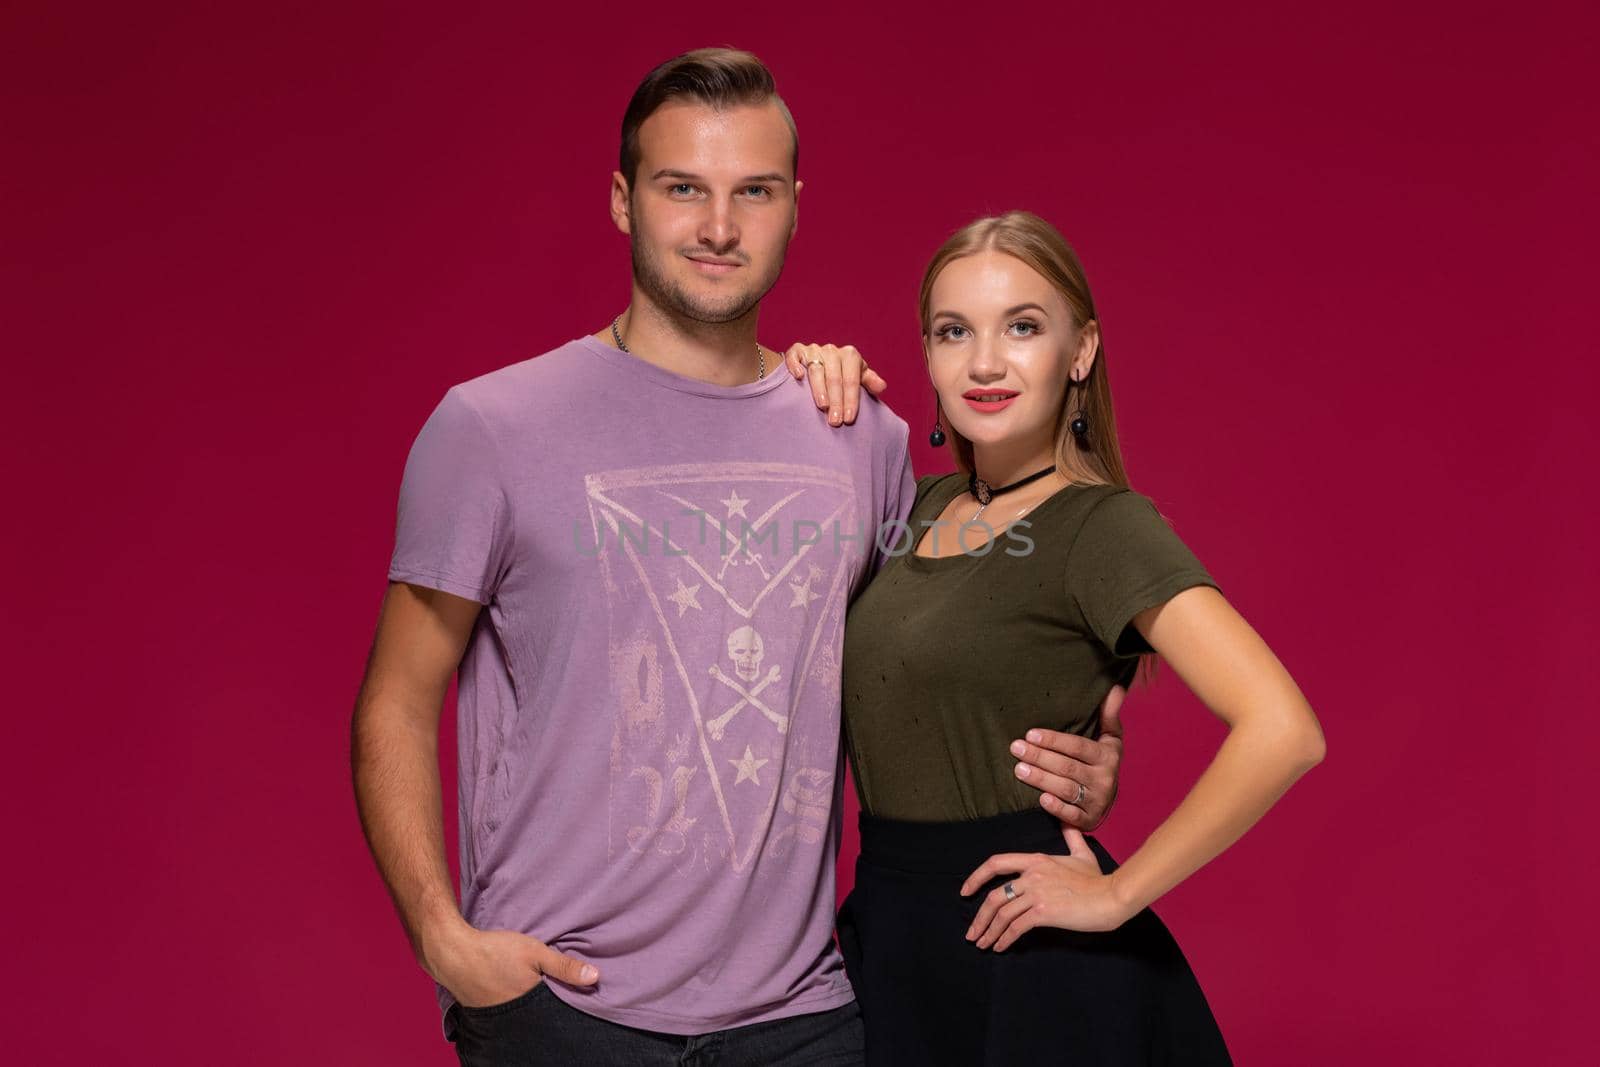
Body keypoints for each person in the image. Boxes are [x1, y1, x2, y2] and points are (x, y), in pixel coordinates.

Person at [351, 51, 1121, 1066]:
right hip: (562, 1012)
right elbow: (394, 700)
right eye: (684, 189)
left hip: (805, 1020)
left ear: (795, 207)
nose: (719, 228)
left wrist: (1081, 756)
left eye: (752, 192)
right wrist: (443, 939)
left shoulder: (861, 436)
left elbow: (930, 664)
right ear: (624, 200)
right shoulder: (491, 427)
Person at [836, 211, 1327, 1065]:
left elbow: (1285, 729)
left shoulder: (1101, 526)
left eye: (1022, 326)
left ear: (1081, 351)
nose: (984, 362)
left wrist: (1118, 895)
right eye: (955, 332)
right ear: (928, 355)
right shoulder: (908, 508)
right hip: (892, 936)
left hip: (1028, 966)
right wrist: (808, 367)